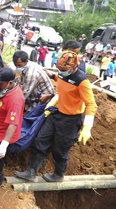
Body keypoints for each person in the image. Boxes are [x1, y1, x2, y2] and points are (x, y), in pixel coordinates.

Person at [15, 51, 97, 182]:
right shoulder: (63, 75)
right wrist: (52, 74)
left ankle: (59, 174)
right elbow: (60, 79)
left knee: (60, 149)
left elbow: (91, 104)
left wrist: (87, 126)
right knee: (40, 140)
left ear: (73, 67)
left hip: (70, 120)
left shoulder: (82, 81)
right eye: (59, 69)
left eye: (63, 69)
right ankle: (31, 171)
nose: (61, 71)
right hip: (56, 113)